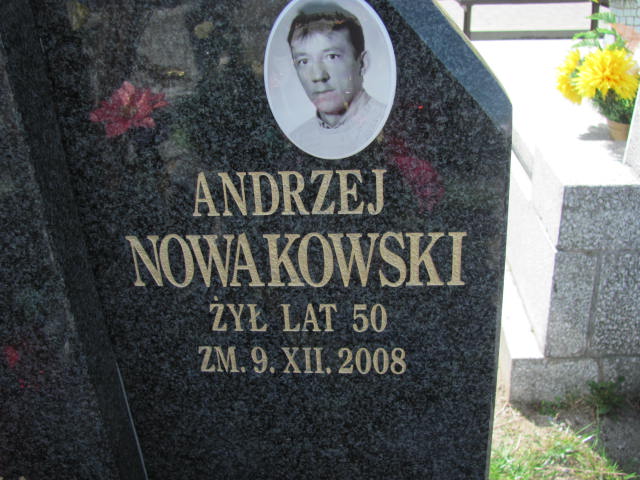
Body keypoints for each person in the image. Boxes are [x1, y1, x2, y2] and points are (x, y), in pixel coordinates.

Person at [287, 3, 386, 158]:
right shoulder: (298, 139)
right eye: (304, 61)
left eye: (332, 56)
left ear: (362, 63)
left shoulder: (389, 126)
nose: (318, 76)